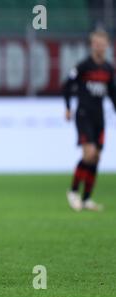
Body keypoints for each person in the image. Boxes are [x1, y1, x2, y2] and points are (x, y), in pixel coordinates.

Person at [64, 29, 116, 212]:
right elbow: (67, 84)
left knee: (96, 158)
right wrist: (68, 107)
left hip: (99, 117)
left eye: (102, 44)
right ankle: (72, 191)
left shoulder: (109, 69)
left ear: (107, 45)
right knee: (89, 154)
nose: (99, 47)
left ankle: (86, 199)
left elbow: (112, 93)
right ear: (92, 45)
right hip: (84, 115)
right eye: (96, 43)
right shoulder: (83, 66)